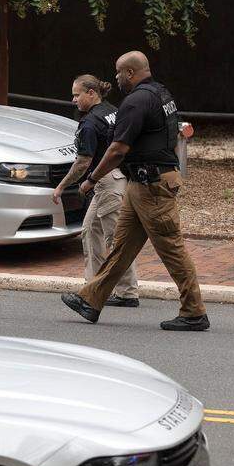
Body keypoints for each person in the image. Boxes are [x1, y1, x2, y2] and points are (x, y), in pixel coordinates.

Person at [60, 51, 209, 331]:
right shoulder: (162, 94)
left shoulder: (135, 102)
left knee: (172, 249)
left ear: (130, 73)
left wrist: (92, 178)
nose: (115, 79)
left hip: (151, 185)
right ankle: (91, 301)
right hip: (142, 183)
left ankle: (194, 311)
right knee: (121, 246)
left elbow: (117, 150)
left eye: (118, 73)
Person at [52, 74, 139, 307]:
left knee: (116, 240)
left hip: (108, 182)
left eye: (76, 94)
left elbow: (82, 162)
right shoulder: (111, 110)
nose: (73, 100)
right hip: (116, 178)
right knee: (90, 230)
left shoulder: (90, 123)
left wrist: (61, 187)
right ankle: (93, 289)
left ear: (91, 93)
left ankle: (127, 293)